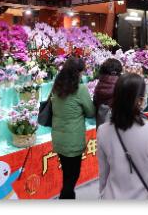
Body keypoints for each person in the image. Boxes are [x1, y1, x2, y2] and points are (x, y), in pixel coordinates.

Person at [50, 57, 96, 199]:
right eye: (82, 72)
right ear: (78, 73)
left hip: (58, 138)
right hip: (73, 139)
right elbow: (91, 112)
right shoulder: (80, 89)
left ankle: (68, 196)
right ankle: (66, 198)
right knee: (73, 174)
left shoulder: (56, 87)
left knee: (67, 172)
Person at [93, 58, 124, 127]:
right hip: (117, 125)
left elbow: (95, 104)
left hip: (102, 125)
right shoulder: (121, 85)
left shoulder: (99, 84)